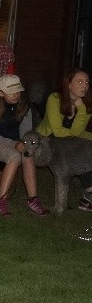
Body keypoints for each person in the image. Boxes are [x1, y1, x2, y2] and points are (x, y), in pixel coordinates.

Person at [0, 75, 48, 216]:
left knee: (27, 155)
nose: (16, 94)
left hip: (15, 143)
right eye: (11, 92)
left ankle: (33, 199)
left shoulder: (24, 108)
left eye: (18, 91)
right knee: (14, 156)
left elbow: (25, 133)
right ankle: (1, 201)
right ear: (1, 93)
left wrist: (24, 144)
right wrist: (14, 144)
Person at [36, 67, 92, 211]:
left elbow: (78, 134)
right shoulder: (55, 99)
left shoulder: (87, 103)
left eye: (87, 82)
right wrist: (80, 111)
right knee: (79, 151)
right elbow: (58, 132)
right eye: (80, 82)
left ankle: (88, 195)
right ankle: (89, 193)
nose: (85, 86)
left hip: (71, 142)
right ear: (69, 84)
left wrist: (82, 109)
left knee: (83, 148)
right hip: (48, 141)